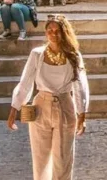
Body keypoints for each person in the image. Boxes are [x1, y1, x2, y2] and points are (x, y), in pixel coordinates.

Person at [8, 14, 89, 180]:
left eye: (57, 31)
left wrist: (82, 114)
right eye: (50, 30)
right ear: (46, 33)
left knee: (63, 159)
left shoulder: (74, 56)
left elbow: (80, 85)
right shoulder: (37, 54)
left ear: (64, 33)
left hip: (65, 106)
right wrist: (13, 111)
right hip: (41, 107)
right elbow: (26, 82)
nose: (53, 34)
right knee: (41, 159)